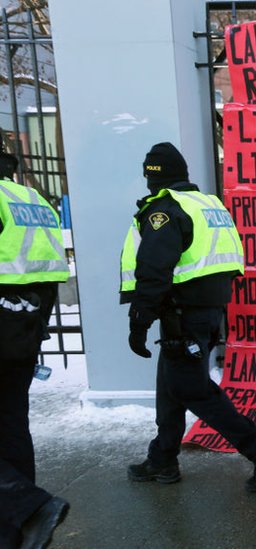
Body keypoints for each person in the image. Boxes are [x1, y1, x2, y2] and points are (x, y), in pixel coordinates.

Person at [120, 142, 256, 492]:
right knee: (171, 387)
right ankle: (163, 458)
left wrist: (139, 320)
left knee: (193, 390)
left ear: (153, 178)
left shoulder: (165, 209)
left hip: (181, 314)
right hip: (206, 312)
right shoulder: (208, 204)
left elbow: (154, 268)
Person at [0, 146, 71, 548]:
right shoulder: (29, 198)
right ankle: (17, 531)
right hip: (24, 325)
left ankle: (29, 509)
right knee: (11, 427)